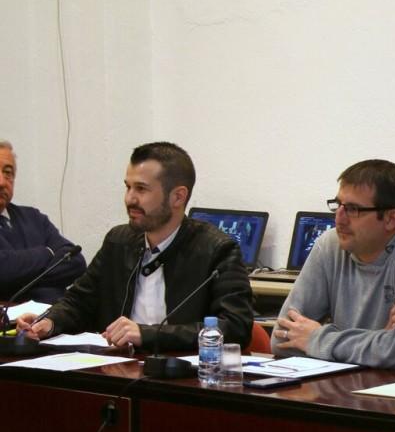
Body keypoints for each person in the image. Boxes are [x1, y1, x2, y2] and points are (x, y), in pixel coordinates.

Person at [16, 142, 253, 350]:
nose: (129, 198)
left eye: (141, 189)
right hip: (117, 366)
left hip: (181, 373)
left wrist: (147, 335)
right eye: (128, 187)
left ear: (178, 197)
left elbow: (235, 328)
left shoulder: (217, 250)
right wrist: (50, 321)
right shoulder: (118, 241)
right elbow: (79, 301)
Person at [271, 159, 395, 370]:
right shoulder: (330, 245)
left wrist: (318, 339)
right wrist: (382, 340)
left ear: (390, 219)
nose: (339, 219)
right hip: (347, 384)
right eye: (338, 205)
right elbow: (281, 338)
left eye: (353, 209)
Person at [0, 140, 86, 303]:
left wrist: (16, 278)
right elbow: (3, 272)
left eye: (8, 173)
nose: (2, 182)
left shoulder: (34, 218)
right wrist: (47, 253)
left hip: (56, 314)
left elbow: (76, 262)